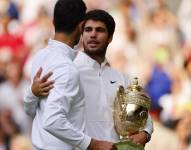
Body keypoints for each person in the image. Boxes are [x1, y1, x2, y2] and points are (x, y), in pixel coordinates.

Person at [25, 9, 153, 148]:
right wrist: (32, 93)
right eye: (88, 30)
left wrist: (146, 132)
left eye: (99, 30)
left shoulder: (121, 78)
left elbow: (142, 112)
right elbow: (37, 111)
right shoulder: (68, 70)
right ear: (81, 33)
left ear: (110, 38)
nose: (93, 34)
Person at [24, 1, 114, 150]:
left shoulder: (39, 57)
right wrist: (93, 144)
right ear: (81, 26)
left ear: (53, 22)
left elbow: (29, 110)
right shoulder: (67, 69)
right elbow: (52, 120)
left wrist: (32, 93)